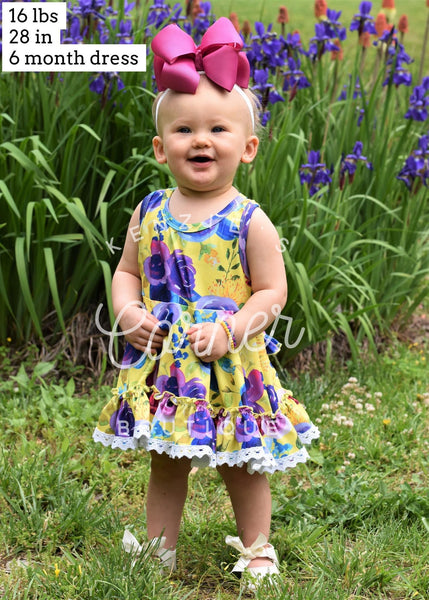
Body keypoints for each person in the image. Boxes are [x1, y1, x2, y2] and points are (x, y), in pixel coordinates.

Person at [93, 17, 320, 590]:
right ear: (159, 146)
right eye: (184, 130)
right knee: (166, 462)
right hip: (167, 366)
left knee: (241, 464)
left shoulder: (250, 220)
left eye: (218, 128)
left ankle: (258, 549)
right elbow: (126, 272)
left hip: (230, 365)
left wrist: (235, 327)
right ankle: (157, 550)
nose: (200, 140)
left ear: (246, 149)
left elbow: (273, 291)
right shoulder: (149, 212)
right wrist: (127, 312)